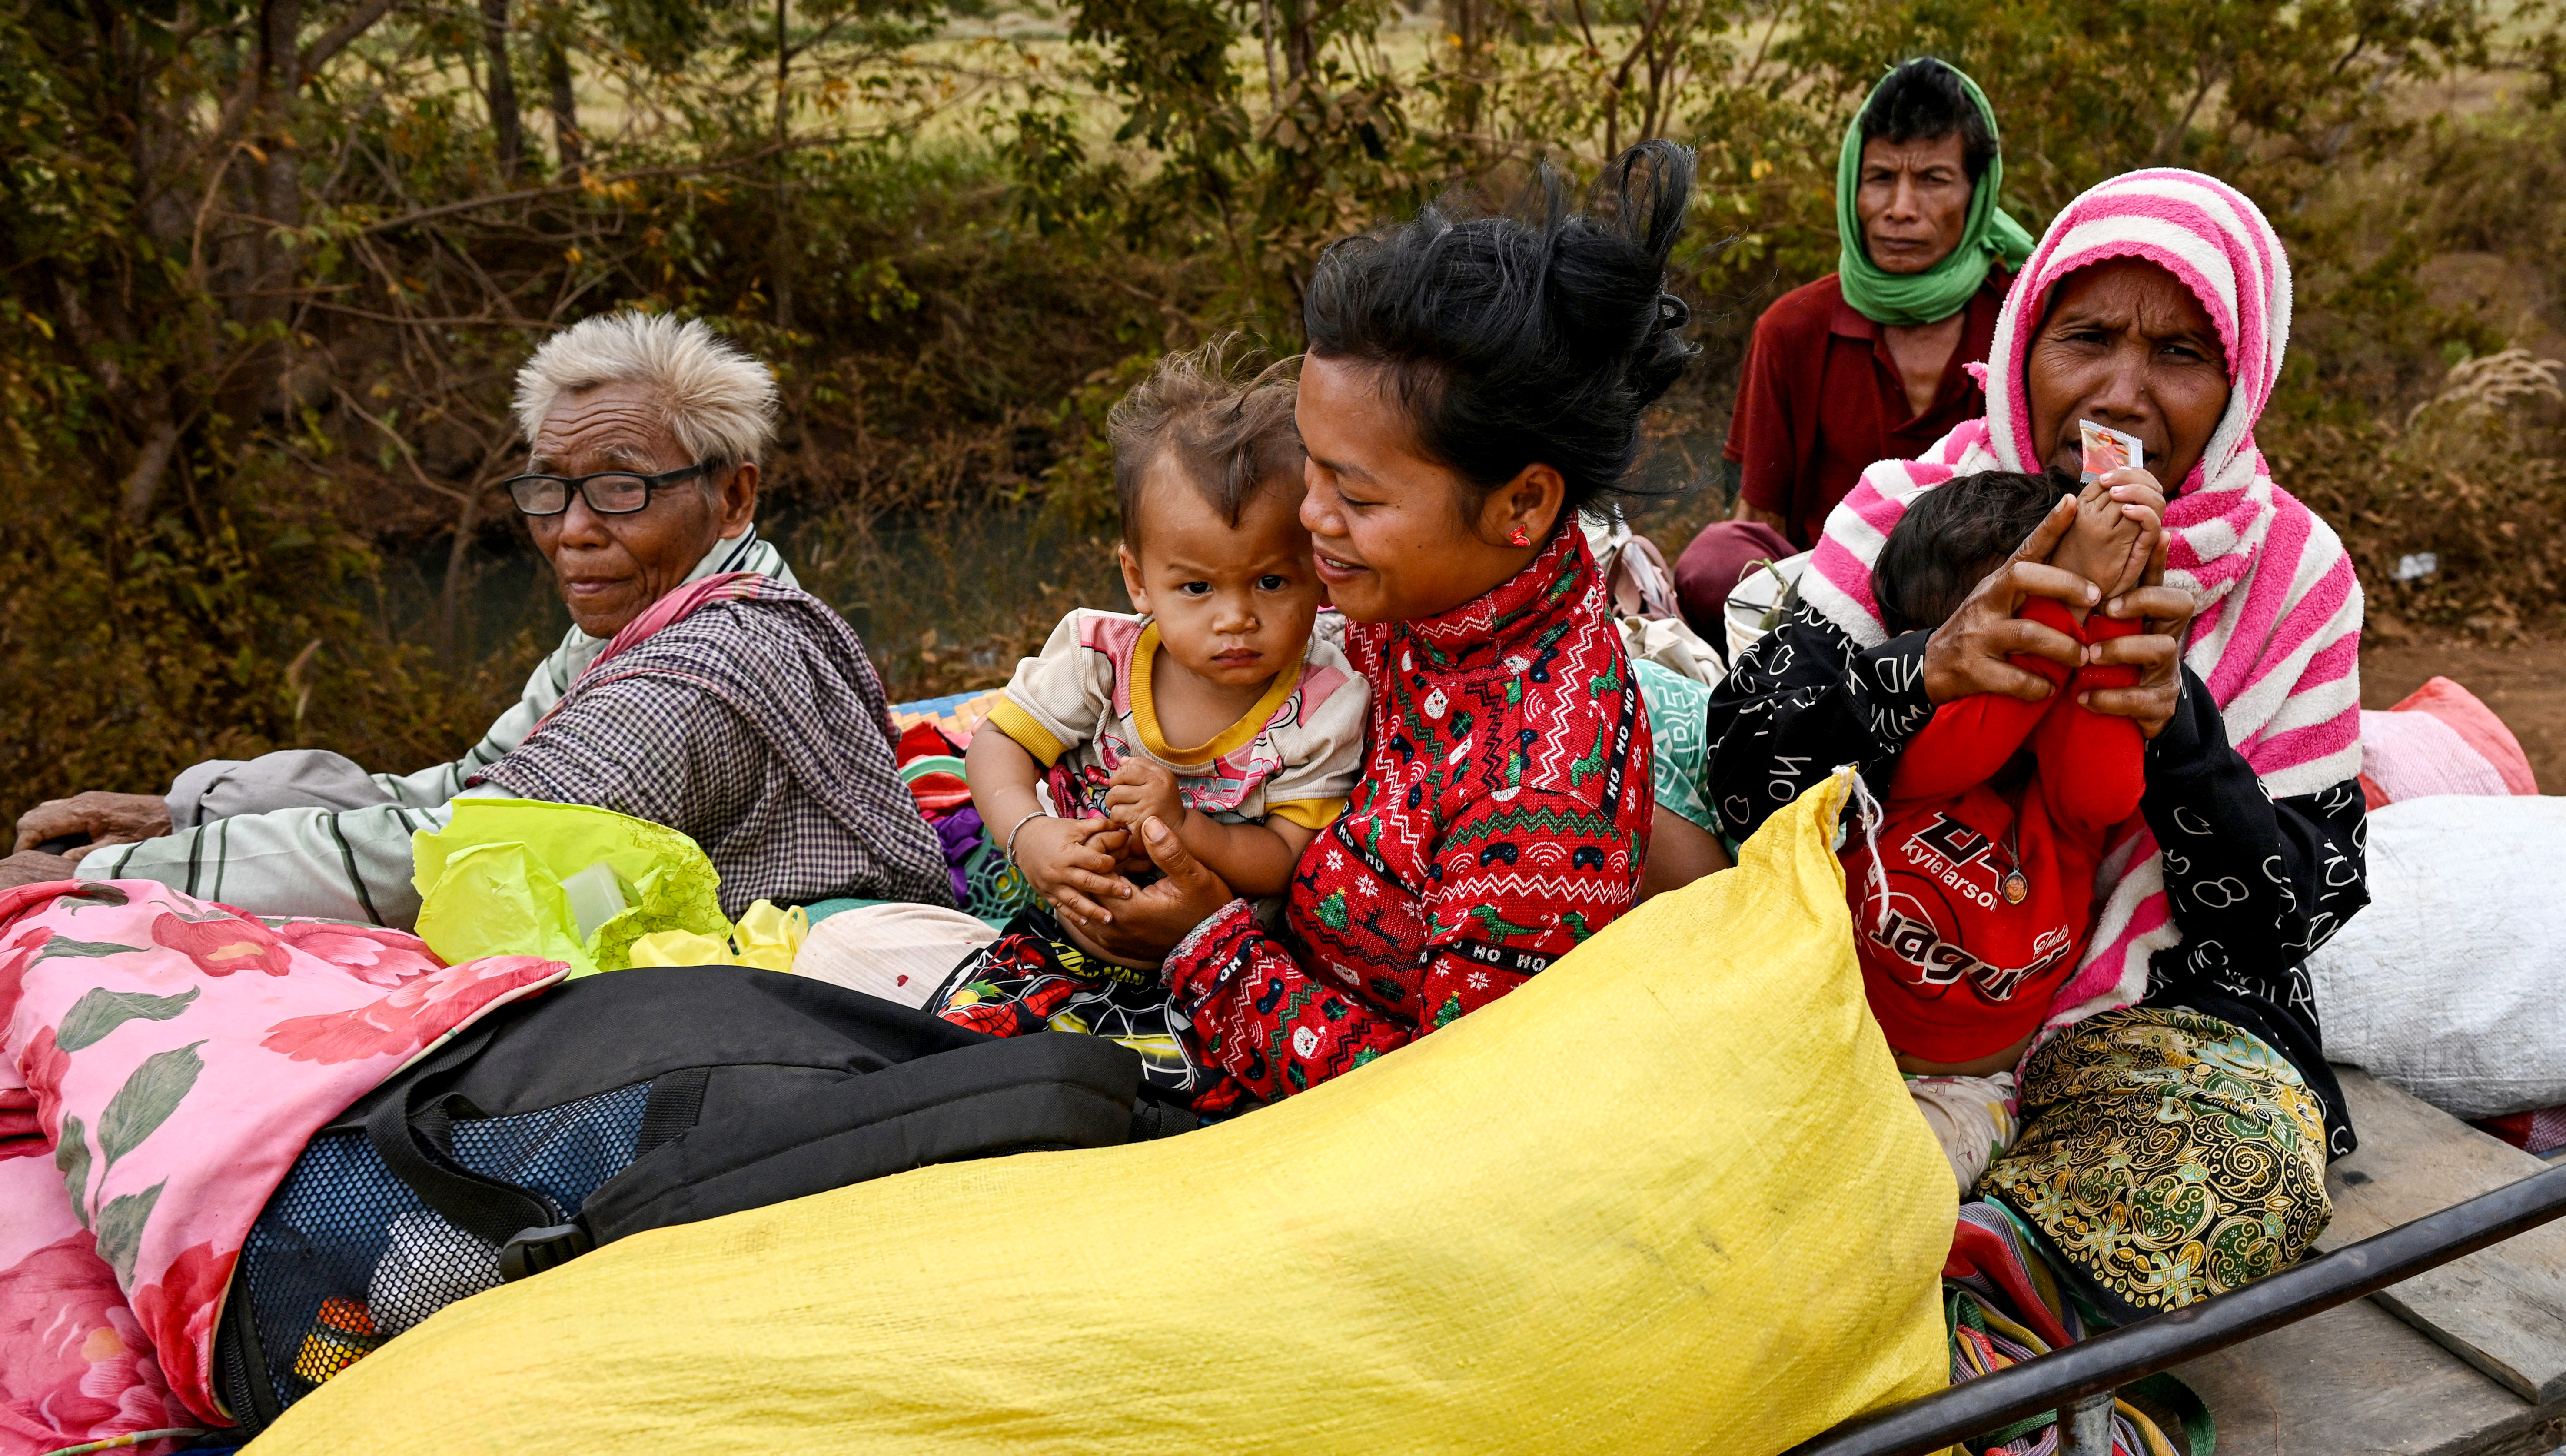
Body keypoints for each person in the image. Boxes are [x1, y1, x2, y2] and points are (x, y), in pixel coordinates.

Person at [1707, 169, 2369, 1322]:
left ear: (2241, 380)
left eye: (2179, 355)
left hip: (2129, 1038)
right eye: (2089, 338)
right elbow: (1745, 776)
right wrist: (1923, 671)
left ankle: (1952, 1270)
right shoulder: (1915, 502)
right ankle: (1923, 1269)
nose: (2123, 394)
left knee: (2245, 1174)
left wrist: (2177, 727)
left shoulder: (2292, 578)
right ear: (2023, 346)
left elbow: (2291, 913)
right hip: (1861, 981)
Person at [1060, 142, 1692, 1113]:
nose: (1309, 516)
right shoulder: (1409, 603)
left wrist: (1201, 944)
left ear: (1521, 500)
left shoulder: (1538, 799)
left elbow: (1456, 1112)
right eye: (1308, 466)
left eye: (1352, 492)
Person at [5, 312, 951, 923]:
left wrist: (126, 873)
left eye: (621, 489)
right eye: (551, 491)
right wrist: (190, 807)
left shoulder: (708, 669)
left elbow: (460, 852)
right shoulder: (632, 625)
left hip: (810, 1002)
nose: (572, 533)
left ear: (732, 497)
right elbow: (465, 786)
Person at [940, 345, 1368, 1112]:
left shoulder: (1326, 701)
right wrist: (1030, 837)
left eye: (1272, 581)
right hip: (1060, 926)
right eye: (1196, 587)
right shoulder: (1098, 658)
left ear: (1318, 566)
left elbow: (1282, 859)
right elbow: (997, 746)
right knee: (960, 1058)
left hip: (1213, 959)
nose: (1236, 617)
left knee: (1167, 1104)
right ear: (1139, 578)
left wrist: (1185, 827)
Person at [1846, 468, 2164, 1192]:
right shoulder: (1907, 761)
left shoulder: (2062, 799)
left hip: (1961, 1096)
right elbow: (1983, 726)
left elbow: (2108, 784)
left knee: (1892, 1188)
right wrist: (2067, 593)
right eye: (2015, 626)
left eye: (2053, 620)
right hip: (1825, 1038)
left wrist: (2110, 597)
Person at [1675, 58, 2034, 655]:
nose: (1900, 207)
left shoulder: (2023, 324)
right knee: (1714, 564)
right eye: (1880, 178)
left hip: (1984, 604)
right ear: (1851, 188)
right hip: (1820, 602)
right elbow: (1758, 517)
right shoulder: (1792, 330)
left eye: (1934, 180)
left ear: (1978, 195)